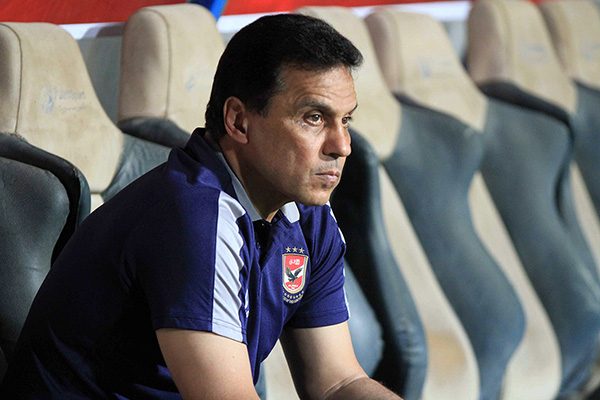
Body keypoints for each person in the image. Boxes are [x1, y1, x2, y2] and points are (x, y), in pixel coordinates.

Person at [1, 13, 402, 399]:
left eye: (345, 120)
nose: (341, 146)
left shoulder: (305, 210)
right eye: (313, 118)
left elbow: (336, 383)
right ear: (238, 121)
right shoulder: (193, 218)